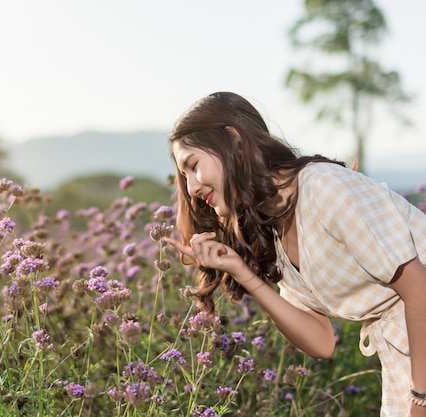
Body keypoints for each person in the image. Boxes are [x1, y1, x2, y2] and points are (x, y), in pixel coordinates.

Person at [163, 92, 426, 417]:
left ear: (232, 140)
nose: (190, 188)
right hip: (406, 357)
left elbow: (419, 289)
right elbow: (321, 342)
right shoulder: (274, 227)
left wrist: (420, 398)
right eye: (183, 175)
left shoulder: (323, 187)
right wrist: (244, 273)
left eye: (193, 166)